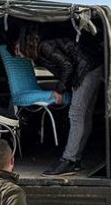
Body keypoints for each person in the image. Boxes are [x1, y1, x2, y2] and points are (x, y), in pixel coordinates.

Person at [14, 25, 103, 176]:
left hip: (87, 69)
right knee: (84, 115)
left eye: (17, 48)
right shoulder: (42, 49)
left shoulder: (44, 47)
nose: (17, 52)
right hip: (91, 66)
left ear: (24, 44)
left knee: (76, 114)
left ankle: (68, 160)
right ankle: (76, 160)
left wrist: (59, 90)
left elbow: (67, 66)